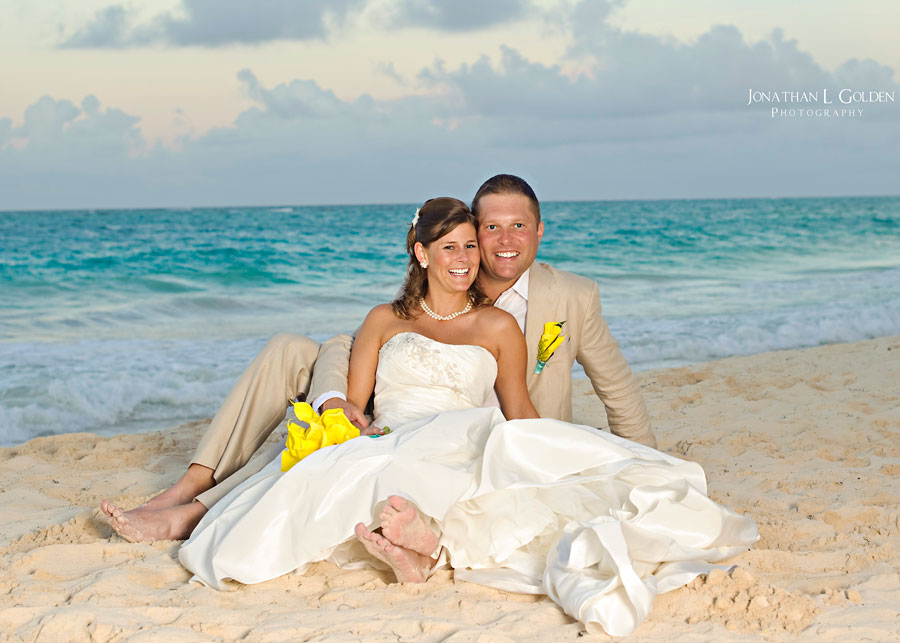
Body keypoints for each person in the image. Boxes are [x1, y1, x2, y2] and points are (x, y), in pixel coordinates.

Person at [177, 198, 757, 637]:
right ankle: (414, 547)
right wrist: (341, 413)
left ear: (536, 231)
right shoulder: (386, 318)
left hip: (462, 429)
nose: (478, 251)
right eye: (462, 242)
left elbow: (535, 406)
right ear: (421, 252)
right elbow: (353, 393)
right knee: (361, 466)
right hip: (394, 429)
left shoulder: (517, 319)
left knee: (465, 460)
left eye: (472, 245)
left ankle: (420, 545)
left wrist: (618, 452)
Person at [101, 174, 655, 542]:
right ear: (467, 235)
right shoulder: (445, 275)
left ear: (539, 230)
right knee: (289, 348)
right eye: (490, 227)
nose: (503, 240)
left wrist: (644, 464)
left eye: (518, 226)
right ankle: (188, 487)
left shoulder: (572, 298)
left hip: (484, 440)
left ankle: (200, 512)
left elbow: (617, 388)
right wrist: (334, 399)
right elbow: (358, 342)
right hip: (396, 417)